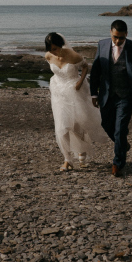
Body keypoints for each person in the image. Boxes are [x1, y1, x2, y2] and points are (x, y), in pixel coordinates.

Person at [89, 19, 132, 177]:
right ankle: (122, 143)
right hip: (107, 95)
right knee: (106, 124)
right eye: (115, 37)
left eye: (121, 38)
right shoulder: (102, 45)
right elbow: (95, 71)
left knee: (120, 130)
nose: (117, 41)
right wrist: (94, 94)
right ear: (110, 32)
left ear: (126, 35)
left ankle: (117, 164)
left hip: (126, 96)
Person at [44, 32, 104, 171]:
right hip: (58, 92)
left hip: (74, 91)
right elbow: (54, 70)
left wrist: (79, 82)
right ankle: (67, 160)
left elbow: (85, 66)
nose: (54, 52)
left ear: (61, 45)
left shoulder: (72, 55)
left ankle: (82, 152)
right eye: (51, 49)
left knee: (77, 125)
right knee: (61, 127)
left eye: (55, 48)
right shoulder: (48, 56)